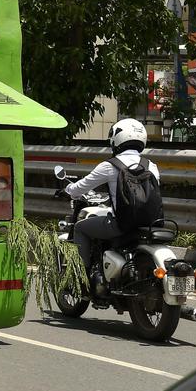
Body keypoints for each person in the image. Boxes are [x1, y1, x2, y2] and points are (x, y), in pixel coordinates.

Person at [63, 118, 161, 276]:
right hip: (150, 224)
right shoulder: (151, 165)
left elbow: (79, 189)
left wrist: (68, 189)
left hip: (121, 225)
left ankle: (81, 278)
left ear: (116, 139)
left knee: (80, 228)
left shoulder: (110, 165)